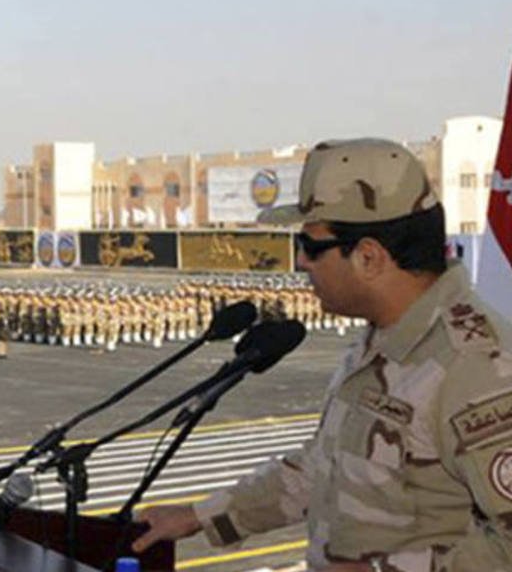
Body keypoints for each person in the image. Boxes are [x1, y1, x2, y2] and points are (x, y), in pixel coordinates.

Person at [133, 138, 512, 571]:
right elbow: (325, 466)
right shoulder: (382, 341)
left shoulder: (476, 366)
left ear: (369, 257)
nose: (300, 262)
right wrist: (200, 516)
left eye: (312, 246)